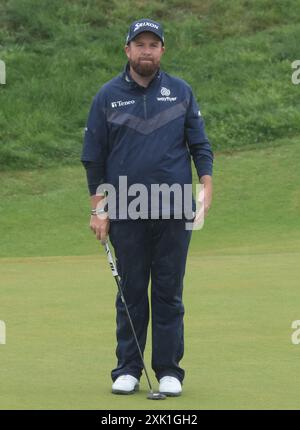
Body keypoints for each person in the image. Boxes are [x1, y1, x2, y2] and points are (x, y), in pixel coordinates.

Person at [81, 18, 214, 397]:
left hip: (173, 209)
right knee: (132, 292)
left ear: (162, 51)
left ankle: (170, 369)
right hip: (125, 209)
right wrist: (98, 209)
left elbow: (199, 146)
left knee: (169, 292)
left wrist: (206, 184)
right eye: (139, 44)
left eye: (153, 44)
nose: (146, 50)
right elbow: (94, 159)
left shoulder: (181, 92)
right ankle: (128, 368)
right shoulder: (107, 96)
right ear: (127, 50)